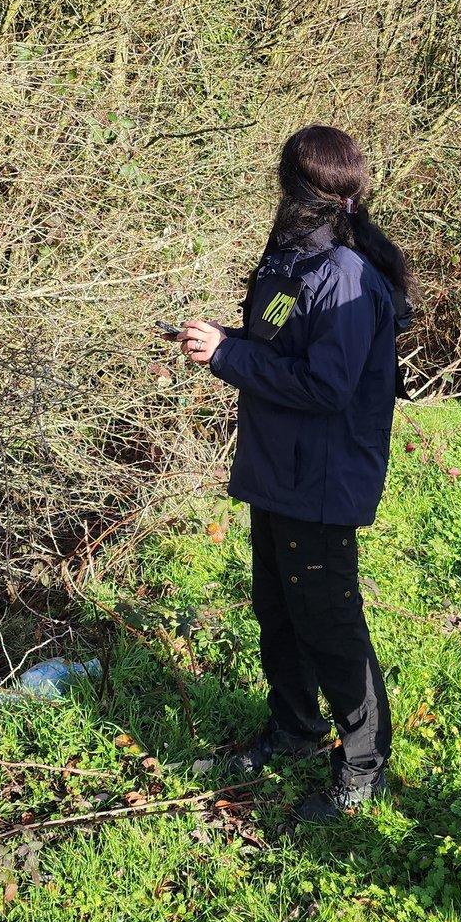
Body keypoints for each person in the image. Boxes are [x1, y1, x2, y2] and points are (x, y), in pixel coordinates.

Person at [176, 125, 411, 824]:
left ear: (298, 190)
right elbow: (279, 345)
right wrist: (225, 341)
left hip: (322, 483)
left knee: (330, 625)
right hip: (278, 476)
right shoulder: (292, 265)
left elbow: (326, 385)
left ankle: (363, 763)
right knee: (278, 611)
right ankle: (295, 728)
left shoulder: (342, 275)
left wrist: (227, 358)